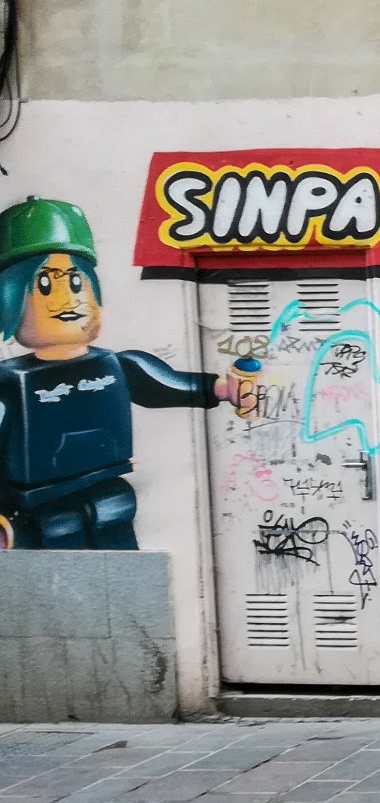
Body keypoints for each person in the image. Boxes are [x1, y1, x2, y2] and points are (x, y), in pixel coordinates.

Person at [0, 196, 242, 549]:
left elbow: (165, 384)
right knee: (59, 547)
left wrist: (225, 388)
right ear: (10, 299)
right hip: (39, 511)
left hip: (111, 495)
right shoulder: (10, 383)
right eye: (45, 285)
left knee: (121, 557)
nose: (66, 299)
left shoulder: (115, 365)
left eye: (76, 282)